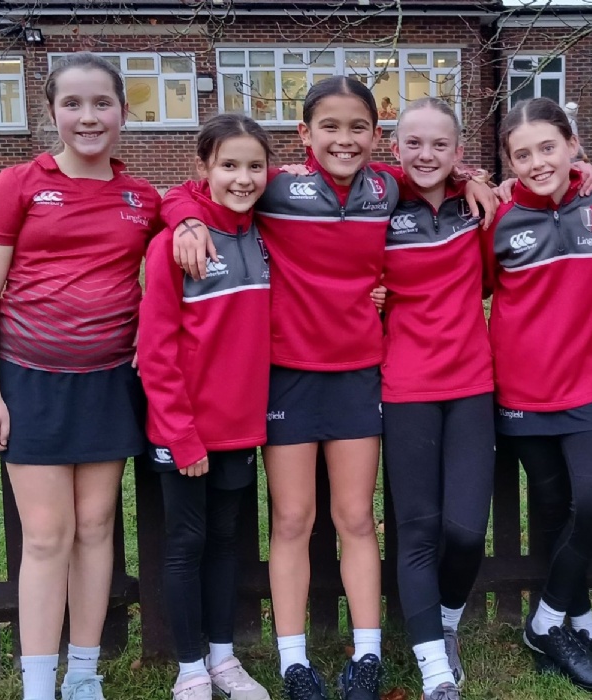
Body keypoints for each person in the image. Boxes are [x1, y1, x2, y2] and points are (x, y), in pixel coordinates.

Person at [165, 77, 494, 700]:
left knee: (355, 519)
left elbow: (439, 171)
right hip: (289, 376)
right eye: (330, 127)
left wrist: (471, 175)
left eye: (358, 128)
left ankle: (366, 655)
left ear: (377, 136)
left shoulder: (386, 187)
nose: (344, 139)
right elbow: (194, 190)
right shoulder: (279, 188)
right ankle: (294, 662)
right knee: (291, 518)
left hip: (357, 375)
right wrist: (183, 217)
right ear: (304, 134)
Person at [0, 52, 161, 700]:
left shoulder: (140, 197)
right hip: (30, 381)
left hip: (107, 383)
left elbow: (196, 213)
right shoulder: (18, 184)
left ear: (123, 114)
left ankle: (83, 675)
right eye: (72, 104)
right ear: (52, 113)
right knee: (49, 535)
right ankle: (39, 685)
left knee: (98, 526)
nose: (88, 116)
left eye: (102, 103)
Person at [482, 97, 592, 692]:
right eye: (522, 154)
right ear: (508, 163)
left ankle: (545, 621)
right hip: (521, 388)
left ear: (572, 145)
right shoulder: (495, 216)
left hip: (587, 383)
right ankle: (574, 615)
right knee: (555, 507)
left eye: (547, 147)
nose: (537, 162)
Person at [138, 113, 275, 700]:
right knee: (186, 543)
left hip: (241, 428)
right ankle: (189, 667)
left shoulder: (267, 232)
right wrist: (180, 432)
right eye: (228, 166)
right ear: (203, 169)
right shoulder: (177, 244)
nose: (242, 179)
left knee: (226, 542)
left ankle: (223, 659)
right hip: (185, 430)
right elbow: (157, 347)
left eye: (254, 166)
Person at [380, 97, 495, 700]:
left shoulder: (475, 206)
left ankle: (446, 622)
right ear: (395, 148)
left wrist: (580, 169)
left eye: (440, 145)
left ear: (458, 152)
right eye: (414, 143)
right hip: (406, 388)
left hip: (472, 384)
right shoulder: (376, 201)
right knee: (418, 529)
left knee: (467, 530)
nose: (427, 154)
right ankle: (434, 669)